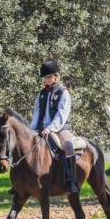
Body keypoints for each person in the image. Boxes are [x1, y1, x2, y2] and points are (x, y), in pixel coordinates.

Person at [29, 60, 79, 193]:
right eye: (45, 77)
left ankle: (72, 179)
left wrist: (51, 128)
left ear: (56, 76)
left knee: (68, 147)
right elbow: (37, 112)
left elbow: (62, 113)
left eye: (49, 77)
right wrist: (31, 129)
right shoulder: (41, 93)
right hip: (41, 127)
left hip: (60, 127)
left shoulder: (64, 92)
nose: (47, 79)